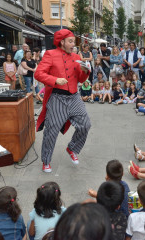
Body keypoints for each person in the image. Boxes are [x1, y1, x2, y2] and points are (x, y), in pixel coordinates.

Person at [34, 29, 91, 173]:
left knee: (85, 125)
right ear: (62, 42)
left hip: (74, 97)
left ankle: (72, 148)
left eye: (73, 41)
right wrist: (55, 80)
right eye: (70, 41)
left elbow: (81, 79)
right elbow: (38, 74)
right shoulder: (50, 54)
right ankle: (46, 161)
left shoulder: (76, 56)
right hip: (57, 98)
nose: (73, 44)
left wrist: (85, 71)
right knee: (51, 131)